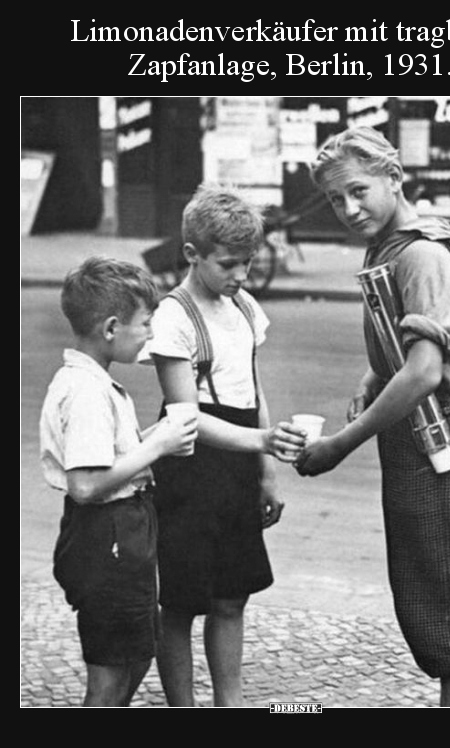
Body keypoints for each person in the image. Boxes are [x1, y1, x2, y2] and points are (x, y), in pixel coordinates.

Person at [296, 126, 450, 708]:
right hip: (423, 434)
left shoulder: (420, 253)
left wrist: (341, 443)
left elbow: (425, 372)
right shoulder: (391, 246)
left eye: (358, 190)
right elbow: (408, 346)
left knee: (449, 596)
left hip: (445, 434)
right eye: (336, 199)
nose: (348, 208)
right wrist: (372, 374)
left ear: (394, 176)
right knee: (431, 590)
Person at [140, 184, 306, 707]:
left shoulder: (245, 307)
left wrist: (265, 470)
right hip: (189, 467)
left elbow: (253, 389)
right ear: (192, 254)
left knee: (231, 595)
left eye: (248, 263)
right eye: (229, 264)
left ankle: (229, 703)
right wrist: (260, 440)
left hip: (237, 466)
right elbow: (183, 416)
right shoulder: (174, 317)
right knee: (183, 601)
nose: (241, 276)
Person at [39, 257, 198, 707]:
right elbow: (86, 485)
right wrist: (157, 447)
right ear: (111, 328)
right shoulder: (87, 392)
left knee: (134, 653)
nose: (150, 334)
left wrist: (154, 438)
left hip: (120, 534)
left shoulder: (93, 383)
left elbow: (104, 455)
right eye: (145, 323)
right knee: (110, 675)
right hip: (106, 538)